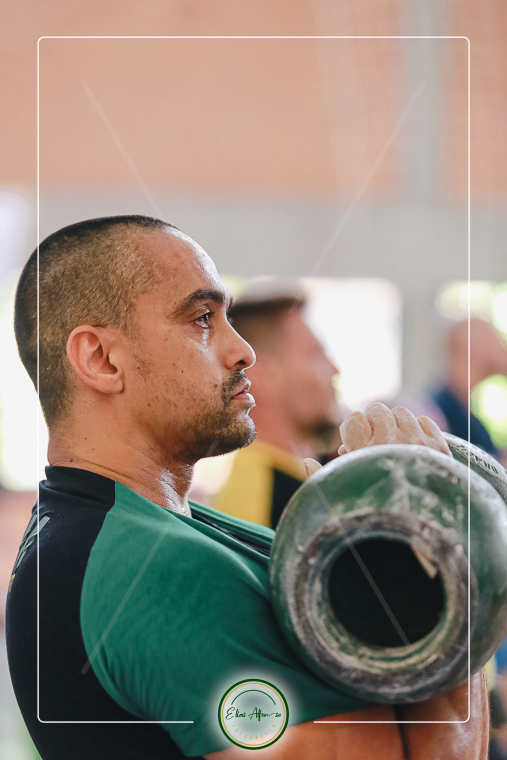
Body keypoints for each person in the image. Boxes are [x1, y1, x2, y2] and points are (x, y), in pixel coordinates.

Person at [6, 215, 488, 760]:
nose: (243, 351)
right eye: (202, 319)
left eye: (227, 318)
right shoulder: (152, 568)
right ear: (101, 359)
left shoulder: (148, 531)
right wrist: (442, 534)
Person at [214, 290, 341, 528]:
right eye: (314, 355)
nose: (335, 370)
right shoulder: (255, 503)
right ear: (262, 377)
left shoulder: (312, 480)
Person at [432, 318, 507, 458]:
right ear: (473, 347)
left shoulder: (471, 420)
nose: (504, 349)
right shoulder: (436, 417)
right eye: (496, 341)